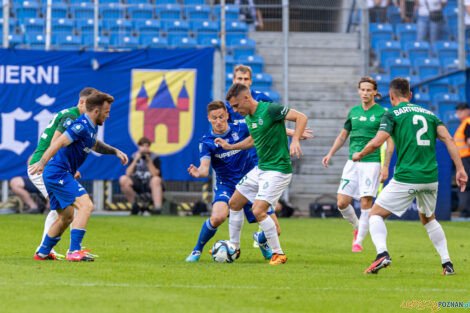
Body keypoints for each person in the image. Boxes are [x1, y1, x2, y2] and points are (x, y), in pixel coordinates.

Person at [352, 78, 467, 275]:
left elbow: (378, 140)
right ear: (410, 95)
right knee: (429, 218)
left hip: (407, 176)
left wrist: (360, 154)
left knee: (375, 215)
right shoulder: (430, 114)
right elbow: (448, 139)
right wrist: (461, 169)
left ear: (391, 96)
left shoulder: (391, 114)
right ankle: (447, 263)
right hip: (430, 177)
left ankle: (382, 254)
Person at [29, 92, 129, 261]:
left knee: (66, 216)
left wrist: (115, 151)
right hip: (57, 172)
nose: (108, 115)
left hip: (58, 172)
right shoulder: (80, 125)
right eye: (106, 111)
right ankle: (74, 251)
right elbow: (59, 142)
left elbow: (94, 144)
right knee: (86, 205)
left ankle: (43, 252)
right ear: (96, 111)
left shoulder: (91, 126)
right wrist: (42, 162)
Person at [221, 83, 308, 265]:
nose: (235, 111)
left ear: (246, 98)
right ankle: (234, 247)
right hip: (262, 168)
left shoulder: (270, 109)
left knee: (258, 210)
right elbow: (253, 140)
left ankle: (278, 254)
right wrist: (231, 146)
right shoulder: (249, 118)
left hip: (278, 170)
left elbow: (301, 117)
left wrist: (295, 140)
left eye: (236, 106)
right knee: (234, 203)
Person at [185, 100, 280, 262]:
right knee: (218, 217)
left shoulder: (241, 127)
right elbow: (204, 169)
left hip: (250, 183)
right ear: (208, 119)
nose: (218, 121)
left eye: (221, 117)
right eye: (214, 118)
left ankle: (262, 240)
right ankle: (197, 250)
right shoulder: (207, 142)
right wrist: (198, 173)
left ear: (227, 115)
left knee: (275, 229)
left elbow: (267, 128)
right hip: (227, 185)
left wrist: (294, 134)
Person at [322, 77, 394, 252]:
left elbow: (390, 142)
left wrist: (386, 166)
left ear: (375, 92)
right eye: (363, 90)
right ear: (358, 91)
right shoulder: (353, 112)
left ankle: (358, 242)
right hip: (352, 162)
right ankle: (357, 227)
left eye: (369, 90)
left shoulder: (383, 113)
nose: (365, 93)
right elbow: (342, 136)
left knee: (365, 201)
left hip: (372, 162)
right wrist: (330, 153)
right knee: (342, 202)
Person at [28, 87, 97, 258]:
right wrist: (56, 166)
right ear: (81, 102)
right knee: (68, 208)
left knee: (65, 211)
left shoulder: (75, 116)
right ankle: (55, 250)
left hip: (50, 166)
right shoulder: (72, 116)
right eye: (89, 105)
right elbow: (56, 142)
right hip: (43, 167)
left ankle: (46, 250)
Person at [119, 137, 163, 215]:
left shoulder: (154, 157)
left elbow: (155, 174)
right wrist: (136, 160)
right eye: (142, 146)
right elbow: (128, 173)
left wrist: (148, 160)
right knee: (123, 179)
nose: (144, 148)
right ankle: (134, 206)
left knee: (156, 179)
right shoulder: (134, 156)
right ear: (138, 147)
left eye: (147, 146)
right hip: (137, 182)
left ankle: (157, 209)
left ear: (149, 147)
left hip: (150, 182)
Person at [453, 103, 470, 218]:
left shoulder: (468, 123)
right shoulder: (464, 123)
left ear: (467, 110)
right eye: (458, 110)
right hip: (463, 158)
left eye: (462, 110)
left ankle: (466, 211)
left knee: (465, 184)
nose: (459, 112)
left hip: (466, 159)